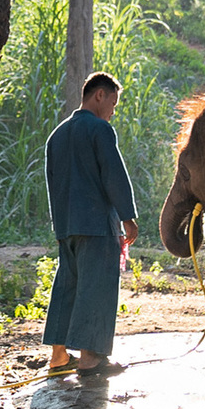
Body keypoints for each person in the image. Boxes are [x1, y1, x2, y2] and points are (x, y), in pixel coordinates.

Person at [43, 71, 139, 375]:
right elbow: (113, 175)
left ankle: (59, 356)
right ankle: (90, 359)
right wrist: (128, 217)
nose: (112, 111)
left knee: (67, 286)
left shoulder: (57, 134)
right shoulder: (100, 130)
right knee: (96, 288)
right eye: (113, 102)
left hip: (66, 226)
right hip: (97, 225)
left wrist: (61, 225)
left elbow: (52, 183)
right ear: (99, 94)